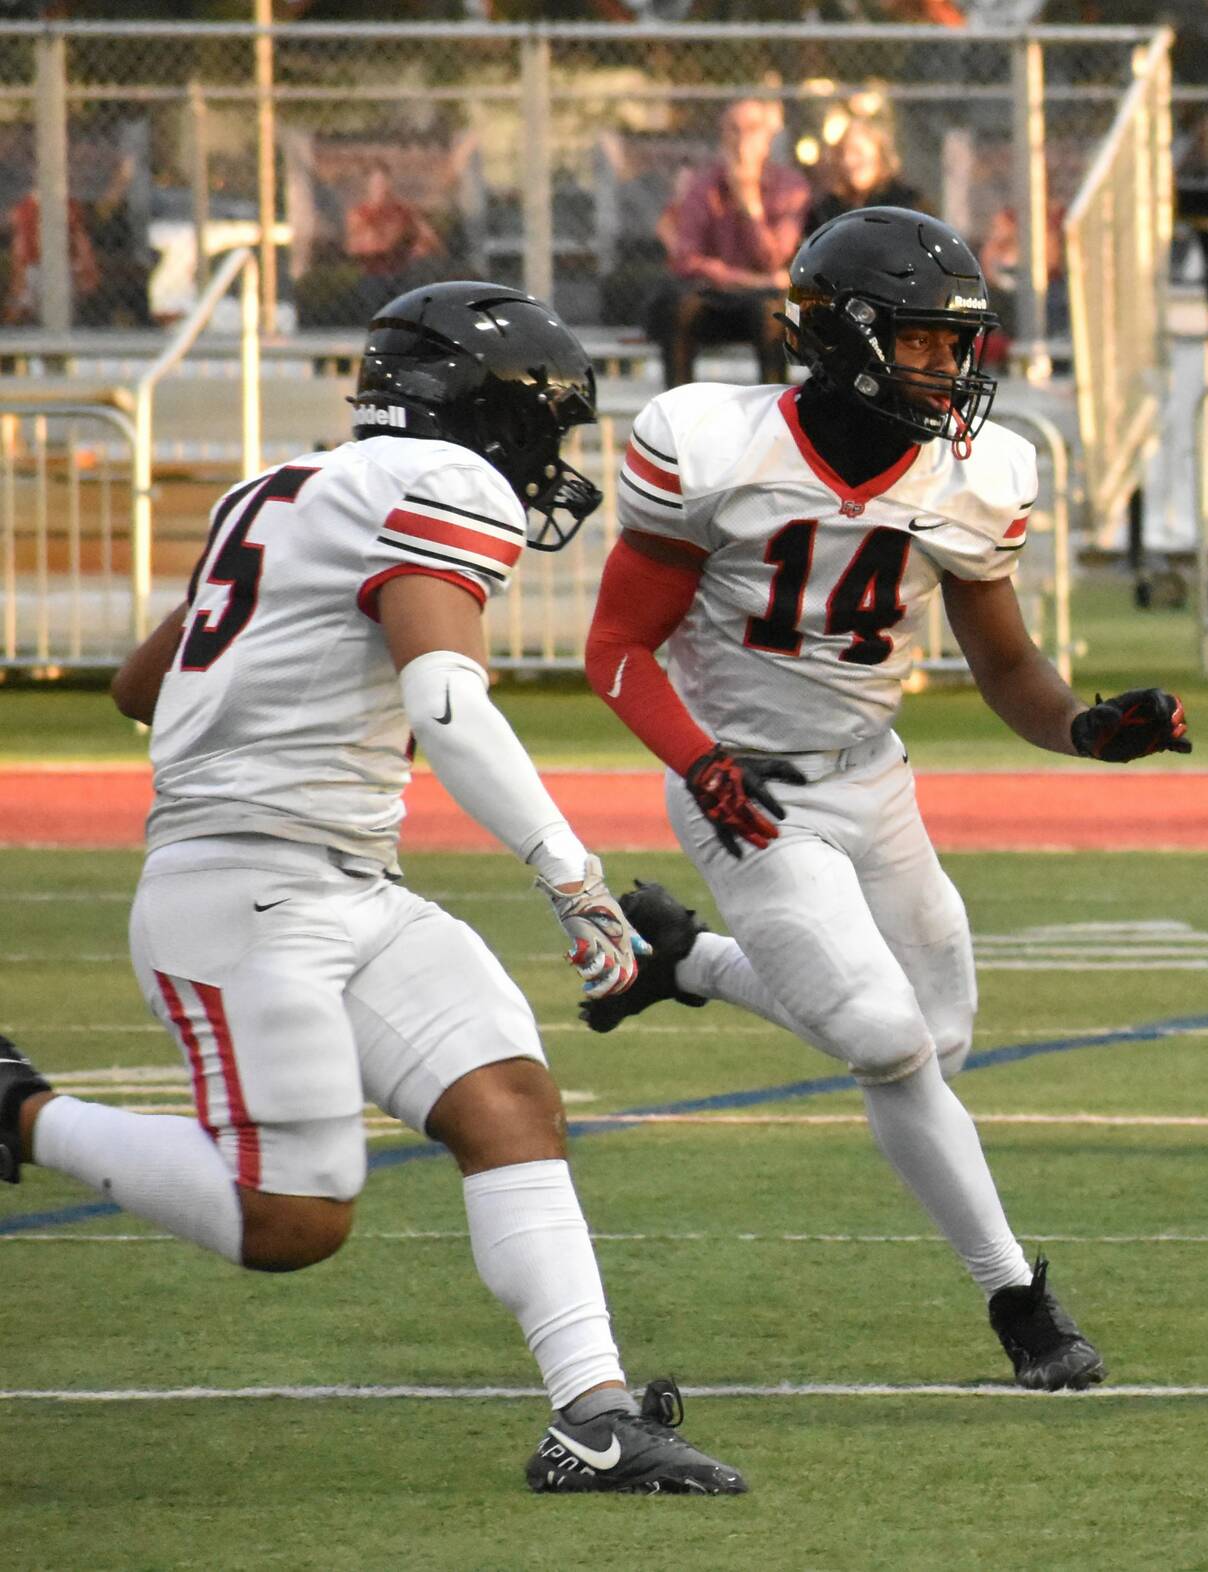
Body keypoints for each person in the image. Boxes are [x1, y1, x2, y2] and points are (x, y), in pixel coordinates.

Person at [0, 281, 749, 1492]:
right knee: (295, 1219)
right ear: (483, 411)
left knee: (507, 1097)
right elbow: (446, 703)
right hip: (245, 893)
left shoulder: (283, 486)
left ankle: (593, 1416)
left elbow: (143, 686)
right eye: (542, 421)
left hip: (344, 877)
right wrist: (570, 873)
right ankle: (19, 1110)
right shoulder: (442, 486)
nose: (550, 456)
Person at [579, 206, 1191, 1391]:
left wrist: (1088, 727)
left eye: (955, 344)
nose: (948, 369)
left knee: (936, 1039)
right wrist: (700, 763)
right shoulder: (715, 446)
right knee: (884, 1041)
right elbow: (616, 645)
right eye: (920, 342)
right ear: (843, 336)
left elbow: (1007, 668)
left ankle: (683, 963)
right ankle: (1020, 1304)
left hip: (874, 781)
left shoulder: (975, 475)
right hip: (747, 789)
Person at [645, 98, 810, 389]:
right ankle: (679, 414)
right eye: (733, 129)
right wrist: (749, 280)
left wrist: (749, 203)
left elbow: (774, 259)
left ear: (768, 139)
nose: (742, 138)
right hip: (714, 299)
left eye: (752, 129)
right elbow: (686, 259)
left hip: (761, 303)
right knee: (678, 307)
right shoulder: (703, 185)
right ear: (722, 136)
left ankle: (773, 415)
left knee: (771, 314)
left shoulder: (790, 186)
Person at [343, 161, 443, 300]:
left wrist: (416, 243)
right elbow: (360, 246)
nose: (380, 187)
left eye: (384, 181)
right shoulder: (360, 213)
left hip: (402, 273)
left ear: (390, 183)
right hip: (374, 274)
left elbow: (428, 239)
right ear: (368, 185)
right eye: (376, 182)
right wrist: (395, 239)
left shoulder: (403, 210)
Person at [803, 118, 921, 236]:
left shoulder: (904, 205)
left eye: (857, 152)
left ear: (879, 154)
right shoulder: (826, 211)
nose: (848, 161)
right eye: (841, 153)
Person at [5, 189, 100, 325]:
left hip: (63, 267)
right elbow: (19, 249)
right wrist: (19, 282)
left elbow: (81, 240)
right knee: (21, 304)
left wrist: (87, 267)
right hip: (34, 266)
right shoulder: (25, 208)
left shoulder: (69, 206)